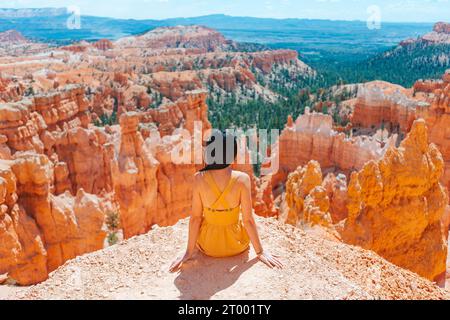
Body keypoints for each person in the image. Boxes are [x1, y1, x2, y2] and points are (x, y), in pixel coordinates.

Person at [170, 131, 282, 272]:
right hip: (236, 244)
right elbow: (248, 220)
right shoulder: (242, 179)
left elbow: (195, 219)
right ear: (233, 156)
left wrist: (188, 252)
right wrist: (260, 252)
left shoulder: (199, 178)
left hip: (208, 245)